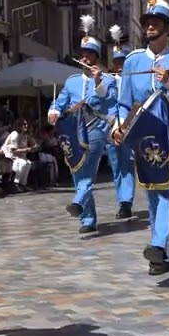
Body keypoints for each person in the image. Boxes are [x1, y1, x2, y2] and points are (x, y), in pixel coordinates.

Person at [111, 0, 169, 275]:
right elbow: (124, 101)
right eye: (147, 23)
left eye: (156, 23)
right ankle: (165, 253)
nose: (149, 27)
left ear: (168, 28)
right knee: (152, 189)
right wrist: (117, 126)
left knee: (166, 188)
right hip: (142, 134)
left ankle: (158, 244)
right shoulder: (133, 61)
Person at [48, 16, 115, 236]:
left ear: (97, 57)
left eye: (89, 54)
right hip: (74, 130)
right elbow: (61, 101)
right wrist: (54, 110)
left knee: (88, 168)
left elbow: (109, 102)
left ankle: (78, 202)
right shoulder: (72, 81)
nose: (85, 58)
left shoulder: (108, 79)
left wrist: (98, 82)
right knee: (77, 171)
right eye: (82, 54)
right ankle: (89, 219)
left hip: (96, 128)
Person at [104, 26, 135, 219]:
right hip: (111, 128)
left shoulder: (133, 80)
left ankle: (127, 202)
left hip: (129, 127)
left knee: (127, 165)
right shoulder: (108, 80)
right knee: (116, 167)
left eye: (122, 61)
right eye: (116, 62)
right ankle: (121, 200)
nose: (119, 65)